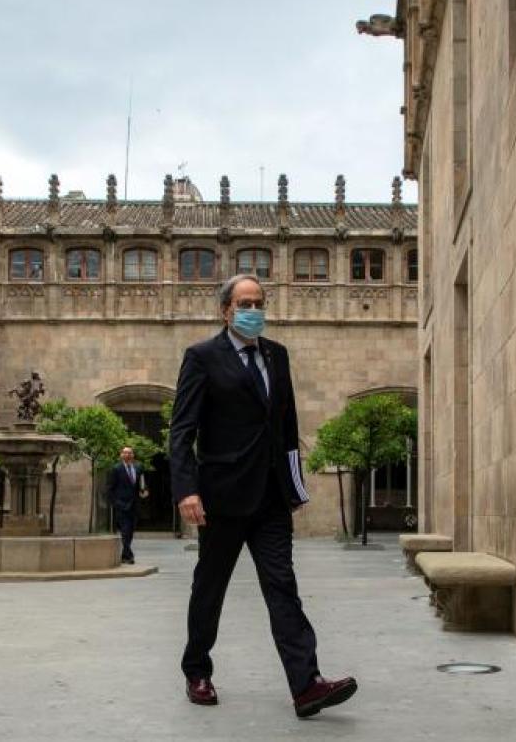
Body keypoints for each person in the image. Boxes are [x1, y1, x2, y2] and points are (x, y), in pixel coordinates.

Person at [168, 273, 358, 718]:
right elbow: (182, 431)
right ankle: (197, 670)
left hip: (271, 498)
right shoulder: (201, 357)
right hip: (221, 498)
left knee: (283, 587)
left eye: (259, 302)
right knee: (210, 588)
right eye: (245, 302)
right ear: (226, 310)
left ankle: (306, 685)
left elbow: (286, 429)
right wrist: (186, 490)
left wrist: (293, 485)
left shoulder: (277, 355)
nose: (254, 310)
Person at [107, 446, 148, 564]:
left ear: (133, 455)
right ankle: (129, 555)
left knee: (130, 530)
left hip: (135, 505)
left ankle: (125, 555)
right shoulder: (116, 469)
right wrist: (115, 503)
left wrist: (145, 490)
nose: (127, 455)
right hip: (122, 505)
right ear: (121, 455)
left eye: (129, 453)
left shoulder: (139, 467)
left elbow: (142, 483)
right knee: (125, 530)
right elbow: (110, 488)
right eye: (125, 453)